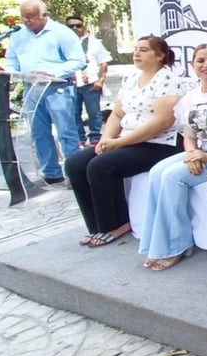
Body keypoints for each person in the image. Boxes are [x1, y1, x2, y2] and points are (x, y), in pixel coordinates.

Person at [65, 35, 184, 247]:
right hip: (127, 140)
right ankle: (96, 225)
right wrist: (106, 139)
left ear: (160, 55)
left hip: (159, 143)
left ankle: (116, 224)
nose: (137, 53)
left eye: (144, 50)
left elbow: (162, 122)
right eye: (136, 49)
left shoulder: (168, 80)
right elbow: (118, 114)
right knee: (75, 164)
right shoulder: (131, 79)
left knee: (101, 166)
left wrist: (119, 143)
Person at [140, 44, 207, 271]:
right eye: (201, 60)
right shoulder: (189, 98)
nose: (206, 65)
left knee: (172, 177)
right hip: (200, 152)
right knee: (156, 172)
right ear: (193, 65)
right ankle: (154, 241)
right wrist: (192, 154)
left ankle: (176, 246)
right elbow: (188, 136)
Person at [2, 0, 85, 184]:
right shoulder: (18, 35)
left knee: (66, 132)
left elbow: (78, 60)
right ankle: (51, 173)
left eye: (30, 16)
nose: (26, 20)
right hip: (31, 88)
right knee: (39, 132)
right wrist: (17, 72)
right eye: (23, 16)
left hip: (58, 88)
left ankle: (74, 174)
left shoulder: (61, 33)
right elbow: (10, 61)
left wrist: (52, 73)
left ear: (44, 16)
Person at [65, 15, 112, 147]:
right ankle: (80, 137)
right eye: (71, 26)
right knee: (74, 112)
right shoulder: (63, 44)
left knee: (94, 112)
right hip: (71, 82)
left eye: (78, 25)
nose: (75, 28)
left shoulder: (93, 43)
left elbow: (103, 63)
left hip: (90, 82)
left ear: (83, 27)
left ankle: (95, 136)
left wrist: (100, 81)